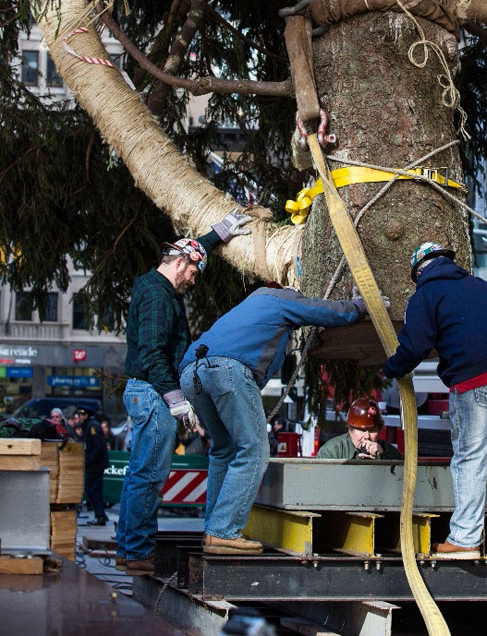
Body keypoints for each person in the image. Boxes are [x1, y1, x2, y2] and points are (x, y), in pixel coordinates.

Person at [179, 281, 371, 556]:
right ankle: (223, 531)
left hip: (192, 372)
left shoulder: (246, 308)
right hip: (228, 370)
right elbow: (320, 311)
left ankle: (214, 530)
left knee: (224, 449)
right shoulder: (279, 299)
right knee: (254, 451)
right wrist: (356, 308)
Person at [382, 242, 487, 560]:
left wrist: (391, 368)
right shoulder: (476, 285)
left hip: (479, 377)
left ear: (419, 272)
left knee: (469, 456)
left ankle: (465, 538)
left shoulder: (424, 296)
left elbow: (415, 346)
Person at [115, 209, 251, 575]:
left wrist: (219, 232)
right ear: (178, 264)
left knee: (140, 473)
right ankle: (139, 552)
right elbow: (152, 353)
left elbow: (196, 249)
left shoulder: (155, 284)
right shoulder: (160, 297)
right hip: (152, 392)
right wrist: (174, 400)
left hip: (145, 391)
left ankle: (129, 549)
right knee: (149, 475)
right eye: (193, 273)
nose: (194, 281)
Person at [316, 397, 402, 460]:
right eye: (362, 430)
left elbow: (401, 477)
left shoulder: (388, 452)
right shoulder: (332, 451)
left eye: (372, 431)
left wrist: (383, 457)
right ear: (350, 430)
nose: (367, 436)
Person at [76, 403, 110, 525]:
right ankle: (100, 515)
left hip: (95, 465)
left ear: (86, 415)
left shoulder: (92, 427)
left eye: (81, 414)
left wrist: (89, 460)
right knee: (93, 490)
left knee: (92, 490)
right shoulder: (88, 426)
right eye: (78, 414)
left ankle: (100, 516)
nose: (79, 417)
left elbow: (98, 447)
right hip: (94, 464)